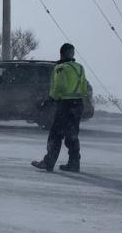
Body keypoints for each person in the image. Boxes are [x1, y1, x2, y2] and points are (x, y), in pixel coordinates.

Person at [32, 43, 88, 173]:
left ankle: (48, 162)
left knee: (56, 135)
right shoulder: (80, 67)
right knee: (72, 135)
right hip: (78, 104)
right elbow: (84, 86)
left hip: (65, 105)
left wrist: (51, 99)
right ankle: (74, 163)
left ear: (61, 53)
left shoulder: (60, 68)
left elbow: (59, 87)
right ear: (72, 53)